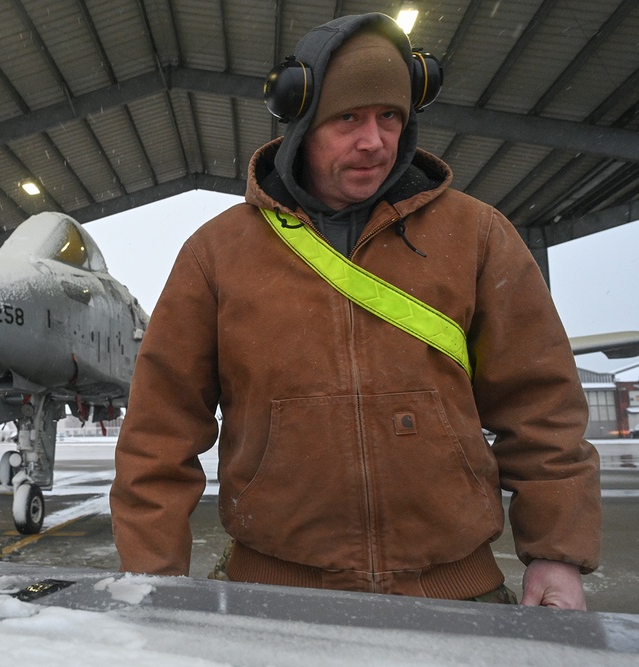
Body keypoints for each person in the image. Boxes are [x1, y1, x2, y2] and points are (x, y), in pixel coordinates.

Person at [109, 12, 601, 609]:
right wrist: (152, 575)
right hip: (274, 600)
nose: (374, 140)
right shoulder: (217, 255)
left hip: (457, 596)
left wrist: (556, 553)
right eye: (348, 119)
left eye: (389, 116)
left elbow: (541, 404)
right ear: (302, 124)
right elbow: (159, 432)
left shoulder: (476, 235)